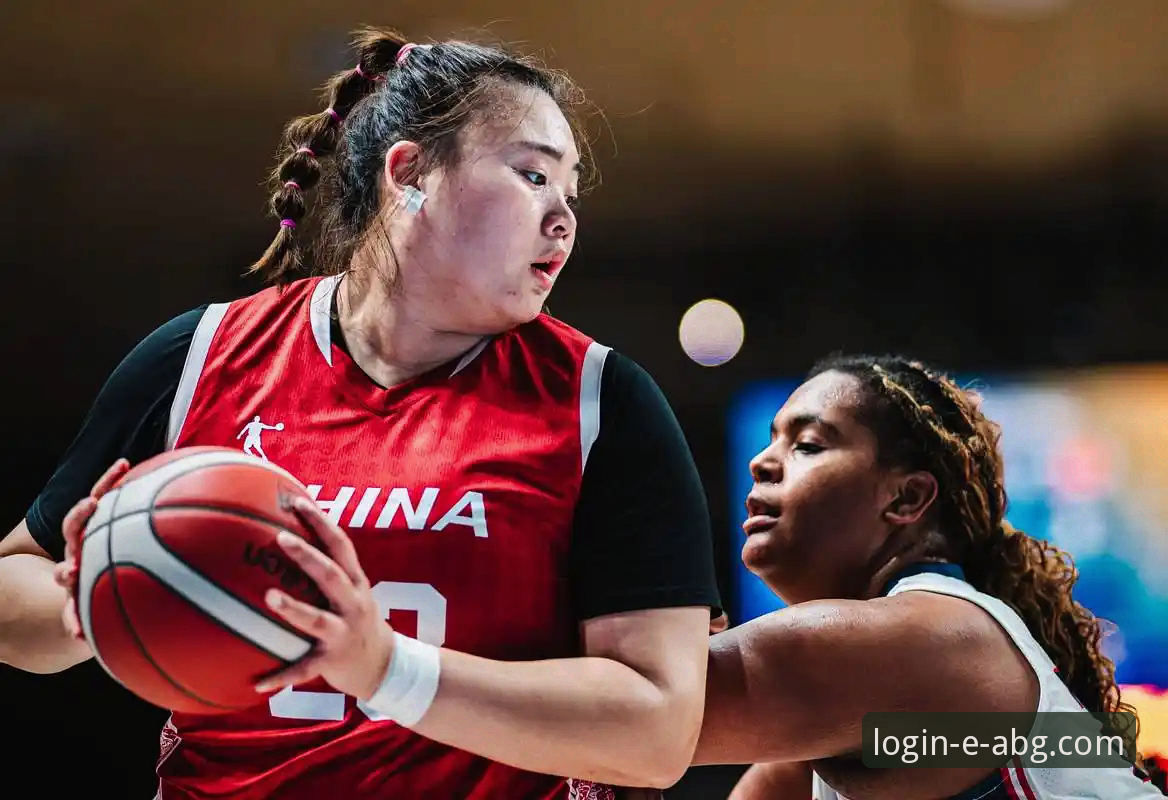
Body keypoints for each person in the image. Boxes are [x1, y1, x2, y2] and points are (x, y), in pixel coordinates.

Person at [0, 27, 720, 799]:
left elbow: (658, 734)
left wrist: (386, 668)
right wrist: (92, 595)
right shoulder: (199, 356)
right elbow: (13, 590)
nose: (563, 219)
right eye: (533, 175)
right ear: (409, 173)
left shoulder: (601, 400)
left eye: (570, 194)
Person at [693, 354, 1164, 799]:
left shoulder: (927, 639)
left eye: (808, 445)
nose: (760, 462)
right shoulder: (847, 713)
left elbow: (661, 710)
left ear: (907, 498)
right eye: (772, 440)